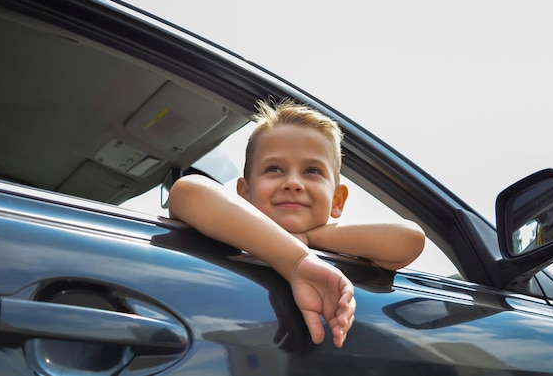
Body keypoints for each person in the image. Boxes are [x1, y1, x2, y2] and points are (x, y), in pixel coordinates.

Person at [168, 98, 425, 348]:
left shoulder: (341, 245)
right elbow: (187, 191)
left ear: (337, 200)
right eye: (274, 169)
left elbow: (409, 238)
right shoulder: (228, 228)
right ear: (245, 193)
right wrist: (297, 260)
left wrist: (313, 238)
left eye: (312, 171)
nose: (293, 183)